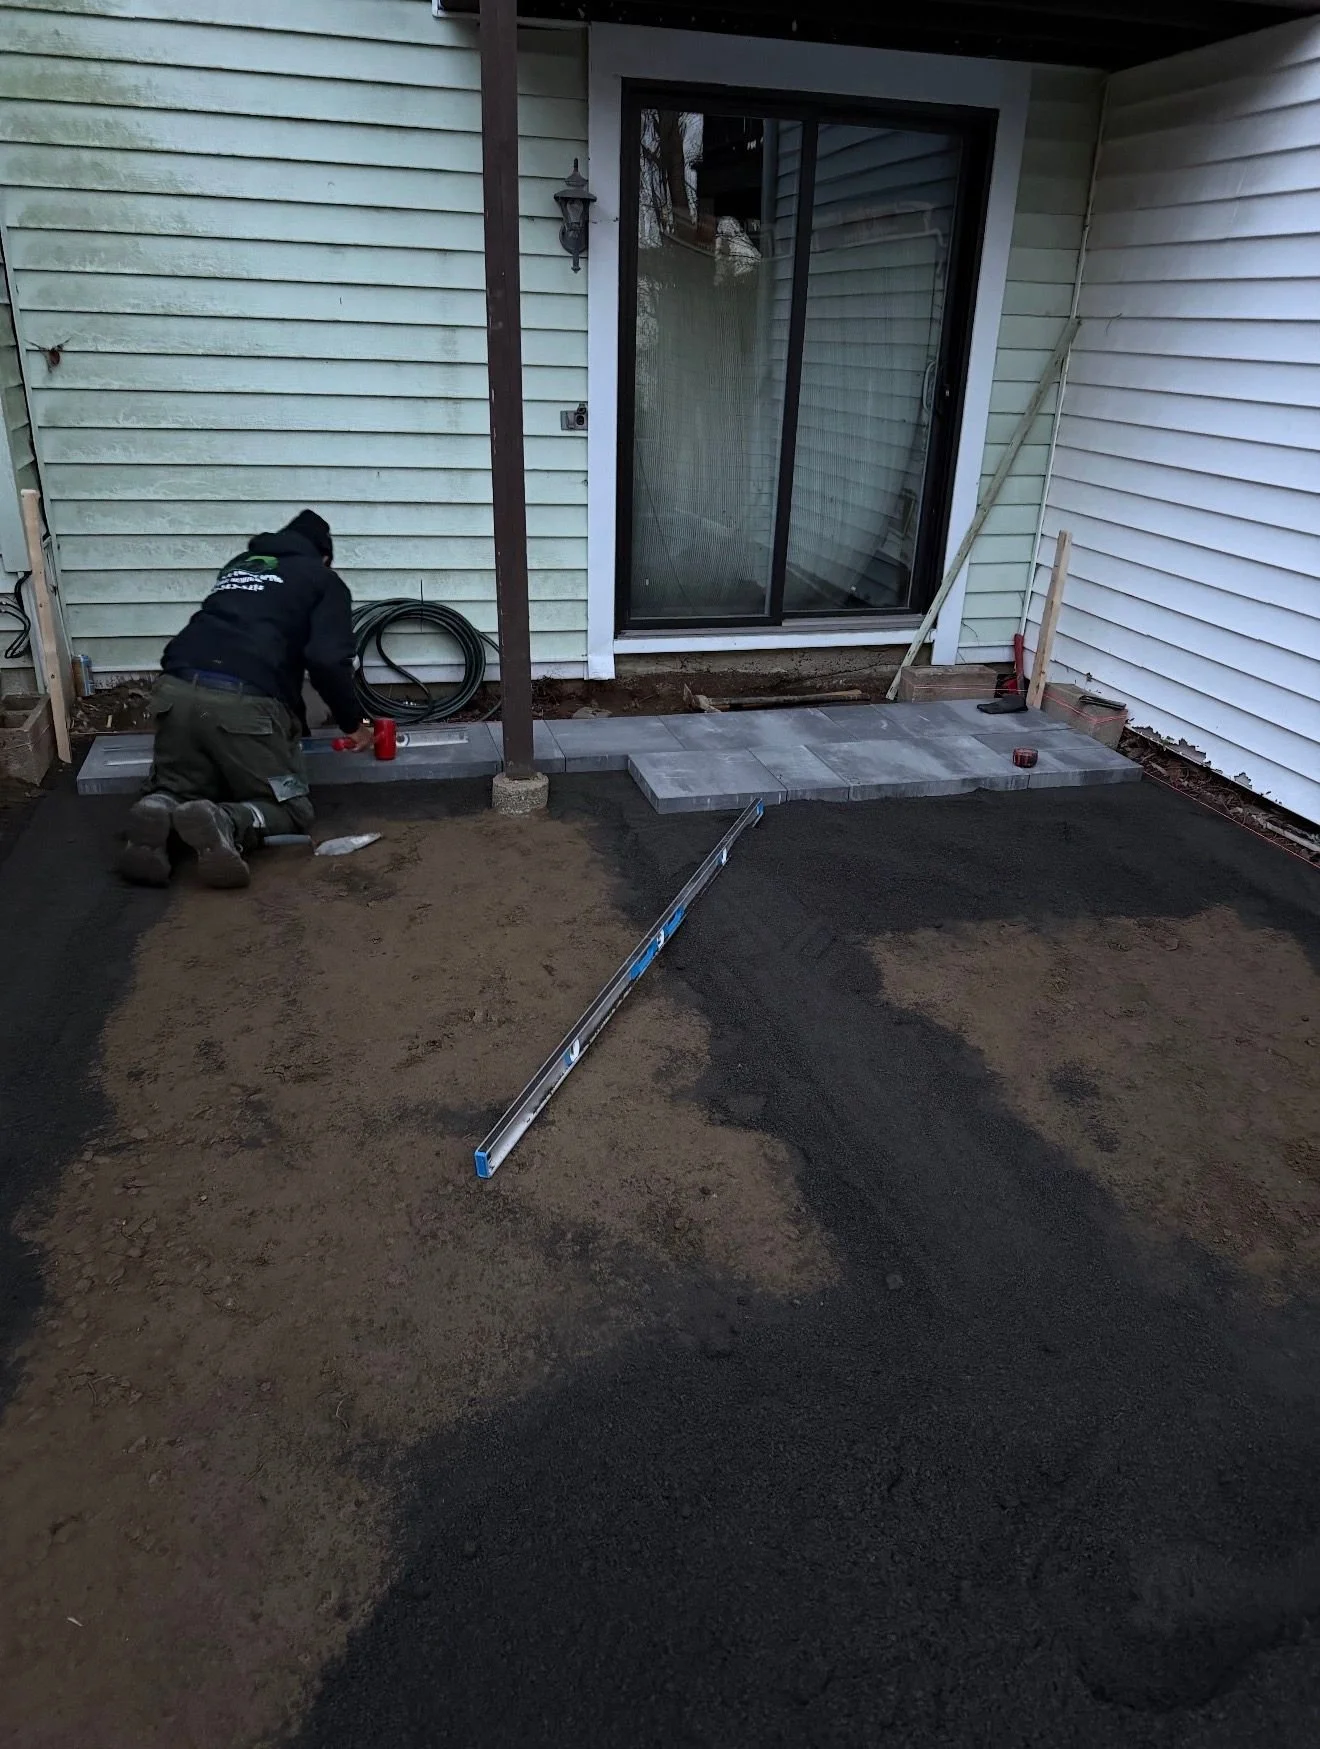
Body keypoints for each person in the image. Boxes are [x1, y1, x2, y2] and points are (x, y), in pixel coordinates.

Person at [117, 509, 373, 889]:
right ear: (324, 557)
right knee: (291, 809)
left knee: (182, 785)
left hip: (175, 689)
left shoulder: (241, 566)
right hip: (243, 702)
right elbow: (326, 660)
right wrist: (357, 723)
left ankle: (158, 807)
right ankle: (228, 821)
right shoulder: (323, 580)